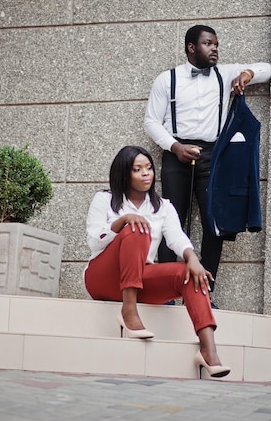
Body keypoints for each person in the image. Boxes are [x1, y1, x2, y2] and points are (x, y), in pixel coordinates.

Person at [144, 24, 271, 305]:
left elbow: (267, 68)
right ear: (191, 47)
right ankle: (166, 291)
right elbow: (151, 121)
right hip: (176, 154)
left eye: (216, 44)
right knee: (171, 220)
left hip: (214, 156)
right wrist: (175, 147)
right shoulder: (167, 80)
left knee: (215, 222)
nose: (214, 48)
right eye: (208, 44)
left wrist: (247, 75)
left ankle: (202, 292)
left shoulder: (224, 73)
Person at [84, 145, 231, 379]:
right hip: (102, 278)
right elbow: (94, 241)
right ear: (124, 173)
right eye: (138, 169)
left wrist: (193, 259)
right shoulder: (104, 199)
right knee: (136, 227)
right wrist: (122, 221)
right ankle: (128, 312)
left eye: (149, 168)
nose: (146, 174)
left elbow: (176, 237)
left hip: (139, 278)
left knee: (191, 273)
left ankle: (208, 351)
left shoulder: (163, 207)